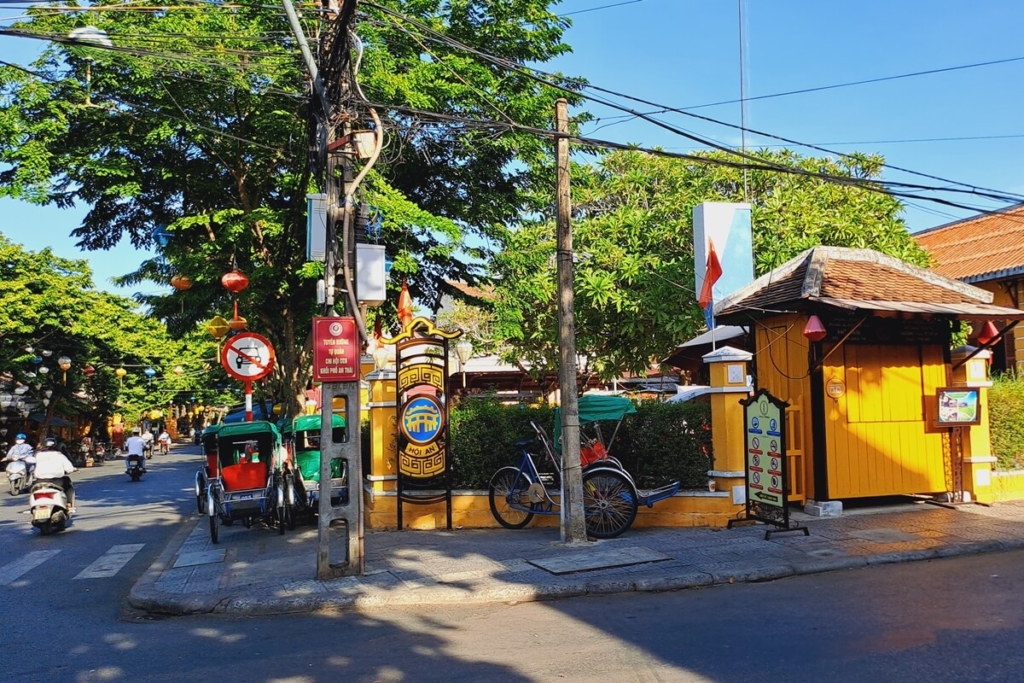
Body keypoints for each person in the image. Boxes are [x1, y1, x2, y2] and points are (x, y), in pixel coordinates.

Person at [33, 437, 76, 512]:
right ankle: (68, 504)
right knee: (68, 485)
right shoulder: (59, 455)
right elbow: (69, 468)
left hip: (39, 481)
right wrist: (73, 469)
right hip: (57, 481)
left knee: (32, 490)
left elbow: (31, 465)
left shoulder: (38, 455)